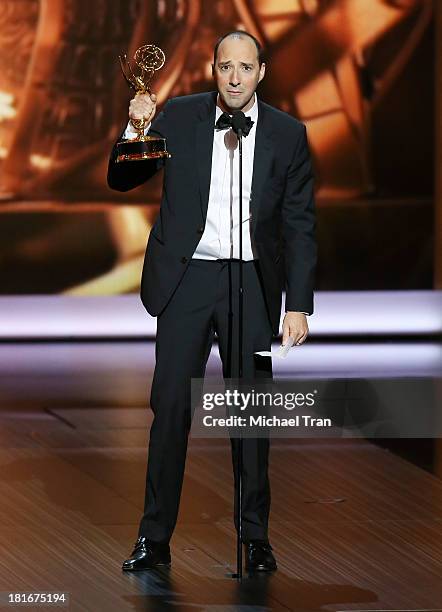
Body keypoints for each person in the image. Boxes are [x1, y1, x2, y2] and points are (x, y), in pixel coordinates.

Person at [107, 30, 317, 572]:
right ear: (213, 69)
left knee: (250, 414)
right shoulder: (178, 116)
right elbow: (123, 179)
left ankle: (255, 538)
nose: (234, 77)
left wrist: (298, 304)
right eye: (226, 67)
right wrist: (136, 128)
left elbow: (298, 225)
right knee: (171, 407)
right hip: (188, 281)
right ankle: (153, 538)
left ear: (261, 72)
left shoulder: (289, 135)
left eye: (245, 68)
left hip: (252, 283)